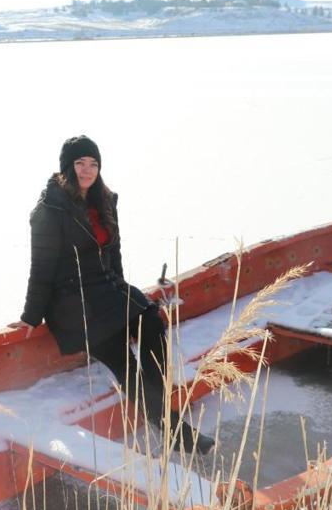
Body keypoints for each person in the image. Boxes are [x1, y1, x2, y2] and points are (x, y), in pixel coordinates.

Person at [15, 135, 214, 455]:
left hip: (107, 290)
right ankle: (173, 431)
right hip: (73, 302)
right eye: (80, 163)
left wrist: (123, 298)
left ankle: (161, 411)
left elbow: (113, 255)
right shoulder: (50, 209)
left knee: (151, 321)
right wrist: (30, 315)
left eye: (93, 164)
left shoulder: (104, 201)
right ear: (67, 167)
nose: (87, 170)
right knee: (124, 360)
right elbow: (41, 266)